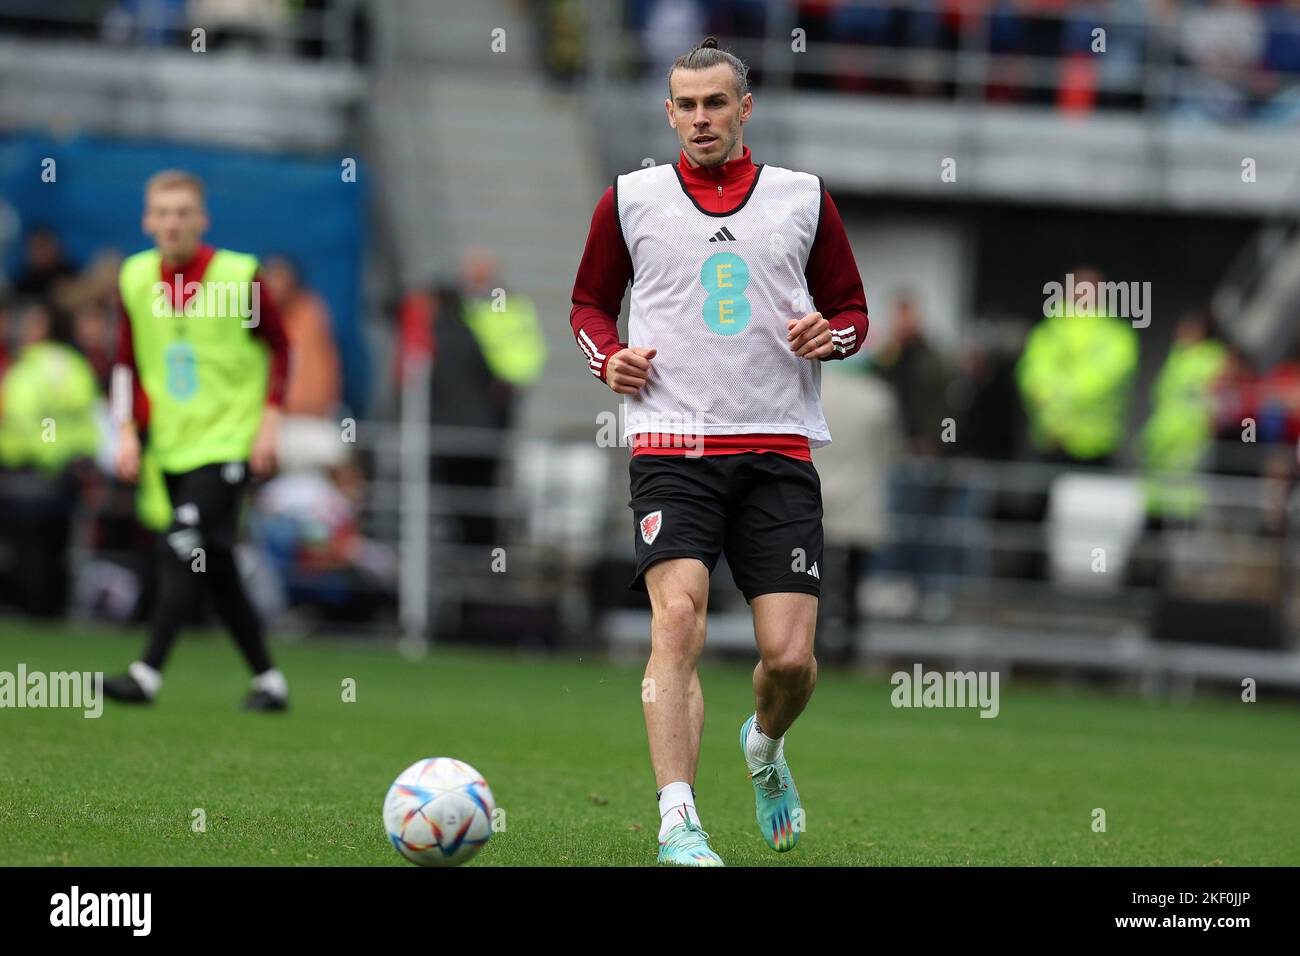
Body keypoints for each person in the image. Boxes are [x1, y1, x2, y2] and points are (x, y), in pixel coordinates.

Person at [570, 37, 869, 865]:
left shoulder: (804, 198)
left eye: (715, 103)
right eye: (686, 105)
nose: (700, 118)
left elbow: (851, 309)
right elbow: (590, 303)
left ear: (745, 108)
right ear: (668, 112)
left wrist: (830, 333)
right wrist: (609, 358)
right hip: (671, 444)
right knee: (678, 620)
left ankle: (766, 746)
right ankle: (679, 822)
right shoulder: (629, 199)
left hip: (778, 448)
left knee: (792, 658)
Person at [101, 169, 293, 712]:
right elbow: (126, 359)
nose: (172, 223)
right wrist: (125, 431)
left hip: (229, 440)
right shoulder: (135, 277)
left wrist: (270, 421)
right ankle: (269, 681)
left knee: (181, 540)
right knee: (215, 562)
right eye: (162, 213)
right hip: (171, 443)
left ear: (201, 219)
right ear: (147, 220)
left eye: (183, 212)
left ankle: (146, 674)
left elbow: (280, 349)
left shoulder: (240, 276)